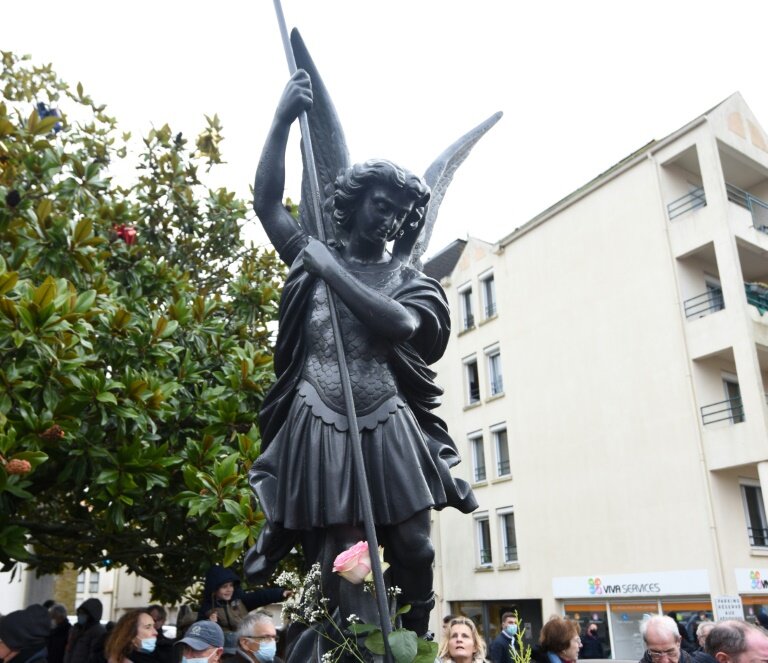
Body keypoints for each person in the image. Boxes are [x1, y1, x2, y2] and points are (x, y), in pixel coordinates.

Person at [245, 67, 477, 639]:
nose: (392, 218)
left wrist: (331, 270)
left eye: (401, 212)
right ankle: (346, 642)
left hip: (385, 414)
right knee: (344, 559)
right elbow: (267, 204)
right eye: (382, 205)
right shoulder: (308, 252)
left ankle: (415, 630)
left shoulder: (406, 276)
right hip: (319, 413)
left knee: (414, 547)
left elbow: (399, 324)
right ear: (356, 202)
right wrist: (279, 123)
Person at [197, 566, 287, 661]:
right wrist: (210, 623)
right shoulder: (207, 609)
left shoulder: (240, 601)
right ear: (214, 590)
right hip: (224, 654)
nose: (229, 589)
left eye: (231, 585)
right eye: (224, 587)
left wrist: (280, 593)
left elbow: (260, 596)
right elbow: (200, 633)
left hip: (245, 650)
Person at [63, 598, 106, 663]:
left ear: (91, 615)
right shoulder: (76, 629)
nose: (80, 616)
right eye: (79, 613)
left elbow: (94, 655)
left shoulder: (98, 632)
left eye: (83, 613)